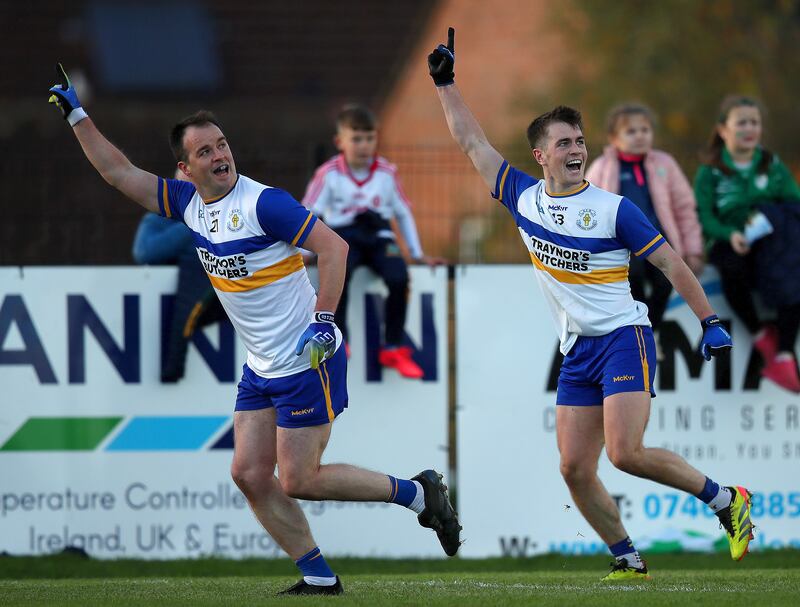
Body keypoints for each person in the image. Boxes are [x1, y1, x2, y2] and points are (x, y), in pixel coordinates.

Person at [49, 63, 461, 595]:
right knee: (248, 473)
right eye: (205, 151)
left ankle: (417, 494)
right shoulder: (191, 206)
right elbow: (120, 174)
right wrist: (79, 116)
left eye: (221, 144)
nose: (219, 155)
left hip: (307, 359)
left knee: (298, 479)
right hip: (262, 366)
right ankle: (318, 576)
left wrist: (325, 321)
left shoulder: (263, 204)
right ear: (185, 168)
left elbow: (335, 249)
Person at [427, 29, 750, 580]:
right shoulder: (522, 196)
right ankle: (626, 558)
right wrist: (444, 84)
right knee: (575, 468)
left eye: (579, 141)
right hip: (577, 349)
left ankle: (726, 501)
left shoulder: (613, 209)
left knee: (626, 453)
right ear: (540, 155)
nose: (576, 150)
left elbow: (671, 263)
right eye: (564, 143)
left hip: (626, 337)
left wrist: (709, 320)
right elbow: (472, 143)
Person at [302, 104, 445, 379]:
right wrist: (303, 251)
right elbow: (308, 212)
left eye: (369, 138)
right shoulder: (328, 173)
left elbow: (403, 212)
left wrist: (416, 253)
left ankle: (392, 346)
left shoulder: (387, 173)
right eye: (356, 139)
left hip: (379, 235)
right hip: (343, 235)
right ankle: (339, 340)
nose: (363, 145)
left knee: (398, 278)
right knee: (336, 274)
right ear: (340, 142)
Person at [694, 95, 800, 393]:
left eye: (754, 122)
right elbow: (704, 217)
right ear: (723, 130)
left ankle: (784, 354)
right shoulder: (710, 171)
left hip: (771, 243)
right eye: (741, 122)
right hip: (730, 241)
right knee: (732, 270)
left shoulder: (772, 164)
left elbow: (793, 203)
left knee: (794, 274)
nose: (749, 128)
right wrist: (731, 235)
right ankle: (758, 334)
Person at [586, 103, 704, 353]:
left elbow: (685, 209)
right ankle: (643, 337)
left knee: (664, 284)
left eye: (645, 130)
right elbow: (586, 210)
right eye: (631, 131)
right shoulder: (601, 168)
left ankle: (653, 333)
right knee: (634, 282)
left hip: (661, 245)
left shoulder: (665, 164)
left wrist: (692, 249)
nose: (640, 136)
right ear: (614, 138)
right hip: (621, 250)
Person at [132, 169, 226, 382]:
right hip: (165, 315)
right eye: (183, 188)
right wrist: (193, 223)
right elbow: (144, 252)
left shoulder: (227, 216)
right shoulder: (159, 217)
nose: (189, 195)